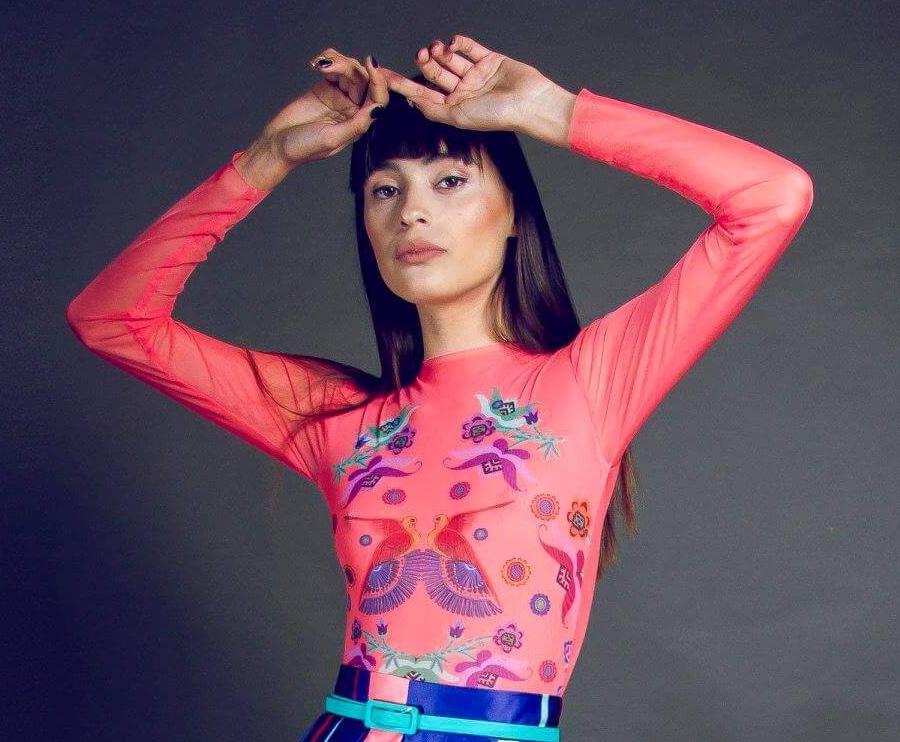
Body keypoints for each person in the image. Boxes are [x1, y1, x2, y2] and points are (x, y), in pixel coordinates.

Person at [66, 33, 814, 742]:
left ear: (514, 213)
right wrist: (266, 160)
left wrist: (553, 111)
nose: (412, 212)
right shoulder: (338, 417)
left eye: (449, 181)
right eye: (384, 190)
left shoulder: (589, 386)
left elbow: (771, 198)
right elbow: (110, 319)